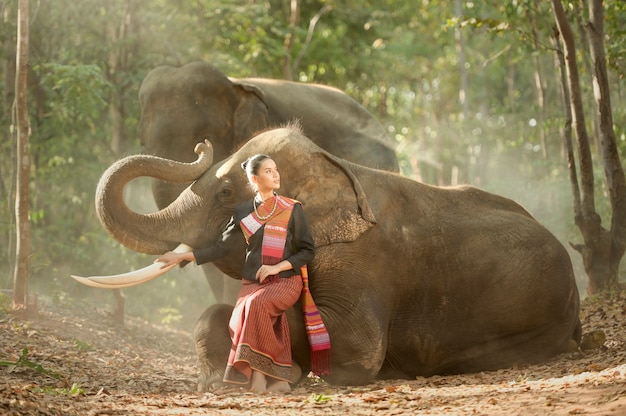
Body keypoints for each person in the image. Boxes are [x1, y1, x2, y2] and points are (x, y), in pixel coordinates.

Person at [156, 154, 317, 393]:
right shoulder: (243, 211)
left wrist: (276, 267)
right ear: (254, 178)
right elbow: (220, 247)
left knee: (255, 306)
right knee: (238, 317)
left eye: (276, 170)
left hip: (285, 280)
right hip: (254, 282)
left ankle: (260, 379)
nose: (275, 175)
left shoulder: (291, 209)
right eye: (269, 171)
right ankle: (281, 380)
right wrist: (181, 256)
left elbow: (307, 251)